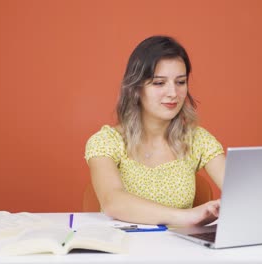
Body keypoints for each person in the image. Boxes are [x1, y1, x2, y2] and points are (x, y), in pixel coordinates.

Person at [84, 35, 226, 226]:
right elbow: (112, 202)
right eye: (159, 83)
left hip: (178, 252)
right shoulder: (105, 141)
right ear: (136, 88)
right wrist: (187, 216)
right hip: (122, 250)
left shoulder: (198, 140)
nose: (173, 93)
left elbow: (244, 194)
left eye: (180, 82)